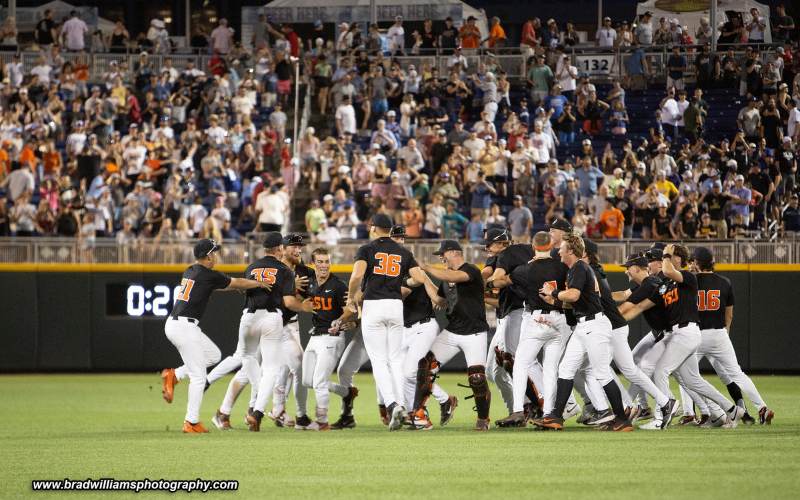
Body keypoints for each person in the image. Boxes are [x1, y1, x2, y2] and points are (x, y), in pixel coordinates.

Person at [622, 244, 743, 429]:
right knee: (692, 380)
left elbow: (668, 270)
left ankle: (661, 418)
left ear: (678, 259)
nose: (665, 260)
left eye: (671, 256)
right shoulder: (665, 285)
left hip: (686, 332)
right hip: (677, 334)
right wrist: (617, 319)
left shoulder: (688, 277)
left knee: (660, 370)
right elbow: (639, 307)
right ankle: (731, 409)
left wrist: (666, 254)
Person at [340, 213, 442, 431]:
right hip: (395, 307)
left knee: (379, 361)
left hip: (374, 305)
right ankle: (403, 406)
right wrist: (433, 293)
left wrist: (350, 299)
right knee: (395, 360)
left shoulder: (367, 249)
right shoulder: (404, 252)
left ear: (374, 227)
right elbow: (420, 277)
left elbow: (357, 277)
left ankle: (393, 404)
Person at [159, 239, 272, 433]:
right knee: (198, 377)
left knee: (213, 355)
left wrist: (235, 286)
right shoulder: (207, 274)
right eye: (214, 252)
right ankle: (191, 422)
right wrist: (257, 283)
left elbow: (217, 284)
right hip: (183, 327)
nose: (216, 256)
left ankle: (175, 374)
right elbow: (234, 282)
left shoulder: (191, 270)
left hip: (178, 324)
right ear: (208, 255)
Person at [534, 233, 632, 431]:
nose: (559, 250)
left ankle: (622, 419)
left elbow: (574, 294)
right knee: (565, 369)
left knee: (602, 373)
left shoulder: (579, 267)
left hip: (594, 326)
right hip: (584, 325)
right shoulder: (576, 268)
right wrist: (553, 301)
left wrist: (553, 293)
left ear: (570, 250)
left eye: (562, 247)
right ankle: (555, 417)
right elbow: (573, 300)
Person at [413, 239, 492, 431]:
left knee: (477, 378)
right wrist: (424, 279)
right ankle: (418, 413)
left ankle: (483, 419)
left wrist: (425, 267)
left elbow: (456, 277)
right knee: (425, 367)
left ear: (455, 252)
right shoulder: (445, 276)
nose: (441, 257)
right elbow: (440, 300)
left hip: (474, 333)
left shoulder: (471, 269)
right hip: (452, 330)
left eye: (443, 253)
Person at [690, 247, 774, 425]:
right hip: (719, 334)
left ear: (696, 263)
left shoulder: (691, 281)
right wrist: (725, 333)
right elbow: (729, 315)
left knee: (687, 375)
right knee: (738, 374)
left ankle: (700, 412)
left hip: (696, 335)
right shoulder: (725, 282)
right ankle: (762, 408)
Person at [493, 231, 569, 426]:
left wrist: (488, 282)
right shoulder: (562, 267)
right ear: (551, 246)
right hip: (559, 320)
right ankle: (550, 414)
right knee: (551, 369)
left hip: (537, 320)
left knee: (520, 364)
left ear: (534, 247)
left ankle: (518, 410)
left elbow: (500, 281)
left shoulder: (525, 269)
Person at [245, 233, 311, 431]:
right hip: (270, 323)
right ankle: (248, 410)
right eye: (293, 246)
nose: (298, 249)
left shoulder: (302, 270)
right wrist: (291, 289)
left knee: (287, 368)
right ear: (281, 248)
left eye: (300, 246)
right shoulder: (279, 270)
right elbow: (285, 299)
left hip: (288, 324)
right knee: (262, 369)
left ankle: (278, 411)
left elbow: (310, 293)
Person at [298, 247, 355, 431]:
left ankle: (322, 421)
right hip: (315, 335)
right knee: (308, 381)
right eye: (320, 262)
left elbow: (350, 309)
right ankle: (347, 392)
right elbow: (299, 296)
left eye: (326, 261)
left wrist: (341, 320)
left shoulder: (338, 285)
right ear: (313, 264)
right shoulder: (311, 283)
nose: (324, 265)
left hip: (333, 337)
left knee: (319, 382)